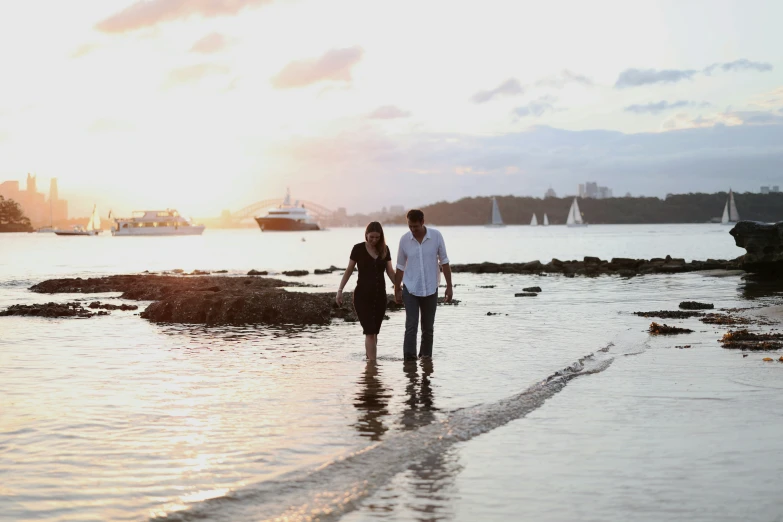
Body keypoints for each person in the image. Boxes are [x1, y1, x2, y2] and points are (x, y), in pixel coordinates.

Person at [394, 209, 452, 360]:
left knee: (428, 328)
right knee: (411, 325)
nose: (413, 230)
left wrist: (449, 286)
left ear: (422, 222)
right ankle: (409, 361)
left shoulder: (436, 236)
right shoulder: (404, 240)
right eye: (410, 226)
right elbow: (400, 266)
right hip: (410, 288)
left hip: (431, 288)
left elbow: (444, 262)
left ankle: (426, 360)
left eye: (415, 226)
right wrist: (396, 288)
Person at [336, 222, 396, 360]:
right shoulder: (358, 249)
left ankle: (371, 368)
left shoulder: (384, 249)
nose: (374, 240)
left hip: (380, 297)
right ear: (366, 235)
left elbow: (391, 272)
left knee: (374, 332)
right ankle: (372, 366)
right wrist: (340, 290)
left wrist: (400, 288)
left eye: (377, 237)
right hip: (362, 297)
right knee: (369, 331)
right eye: (372, 237)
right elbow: (349, 270)